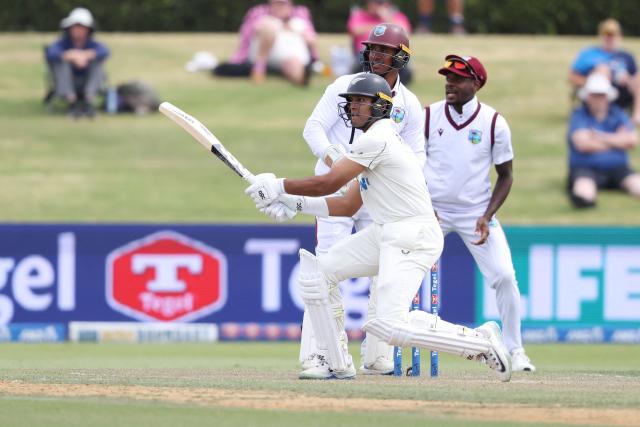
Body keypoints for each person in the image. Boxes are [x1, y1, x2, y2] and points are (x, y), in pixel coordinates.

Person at [245, 72, 512, 382]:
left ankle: (480, 341)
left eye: (363, 101)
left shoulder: (378, 138)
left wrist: (279, 186)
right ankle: (336, 362)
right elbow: (346, 204)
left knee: (390, 325)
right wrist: (294, 203)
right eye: (352, 101)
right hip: (386, 231)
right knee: (320, 272)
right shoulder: (368, 143)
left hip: (414, 235)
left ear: (382, 107)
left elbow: (329, 182)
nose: (354, 107)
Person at [299, 23, 425, 379]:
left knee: (387, 270)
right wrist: (334, 160)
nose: (375, 56)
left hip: (380, 197)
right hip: (336, 186)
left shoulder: (410, 104)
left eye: (384, 51)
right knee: (323, 269)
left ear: (401, 56)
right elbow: (313, 128)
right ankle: (319, 355)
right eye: (372, 49)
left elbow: (418, 156)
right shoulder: (344, 85)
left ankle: (377, 354)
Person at [424, 54, 535, 372]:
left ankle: (516, 350)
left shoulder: (494, 123)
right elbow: (414, 164)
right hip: (434, 212)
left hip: (476, 213)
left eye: (458, 79)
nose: (450, 83)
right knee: (403, 273)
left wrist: (487, 215)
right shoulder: (429, 116)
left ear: (477, 83)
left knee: (504, 276)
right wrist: (424, 208)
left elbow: (506, 175)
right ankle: (387, 350)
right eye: (447, 77)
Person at [568, 73, 640, 208]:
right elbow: (582, 144)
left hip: (618, 167)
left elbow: (631, 140)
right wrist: (617, 141)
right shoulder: (579, 115)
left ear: (608, 97)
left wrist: (599, 136)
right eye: (594, 95)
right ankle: (585, 203)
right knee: (584, 187)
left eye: (601, 95)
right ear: (588, 97)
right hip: (586, 168)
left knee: (636, 183)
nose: (598, 99)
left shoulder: (617, 113)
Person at [213, 0, 318, 86]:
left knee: (294, 63)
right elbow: (251, 31)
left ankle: (300, 78)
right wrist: (279, 26)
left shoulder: (299, 21)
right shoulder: (262, 15)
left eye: (282, 4)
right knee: (269, 27)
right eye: (276, 3)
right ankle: (259, 69)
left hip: (291, 56)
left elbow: (311, 40)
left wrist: (294, 30)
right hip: (264, 53)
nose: (279, 7)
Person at [569, 18, 640, 125]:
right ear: (601, 36)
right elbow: (572, 77)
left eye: (613, 35)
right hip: (597, 91)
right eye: (607, 35)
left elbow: (635, 77)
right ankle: (601, 116)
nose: (609, 38)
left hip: (623, 91)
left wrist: (627, 79)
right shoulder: (589, 54)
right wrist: (595, 78)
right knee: (602, 70)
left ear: (620, 36)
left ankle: (637, 115)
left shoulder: (626, 56)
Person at [45, 7, 109, 118]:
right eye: (75, 27)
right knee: (61, 62)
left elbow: (105, 51)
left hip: (87, 81)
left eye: (81, 27)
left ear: (88, 29)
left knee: (97, 62)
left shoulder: (92, 43)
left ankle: (88, 101)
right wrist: (70, 55)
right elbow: (51, 52)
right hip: (67, 82)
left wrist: (86, 55)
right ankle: (72, 102)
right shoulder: (63, 42)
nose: (78, 30)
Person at [347, 0, 413, 84]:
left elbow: (405, 33)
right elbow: (354, 30)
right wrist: (381, 27)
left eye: (381, 2)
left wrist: (387, 17)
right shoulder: (359, 15)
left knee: (399, 54)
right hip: (365, 54)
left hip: (391, 54)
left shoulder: (396, 17)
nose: (377, 5)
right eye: (375, 2)